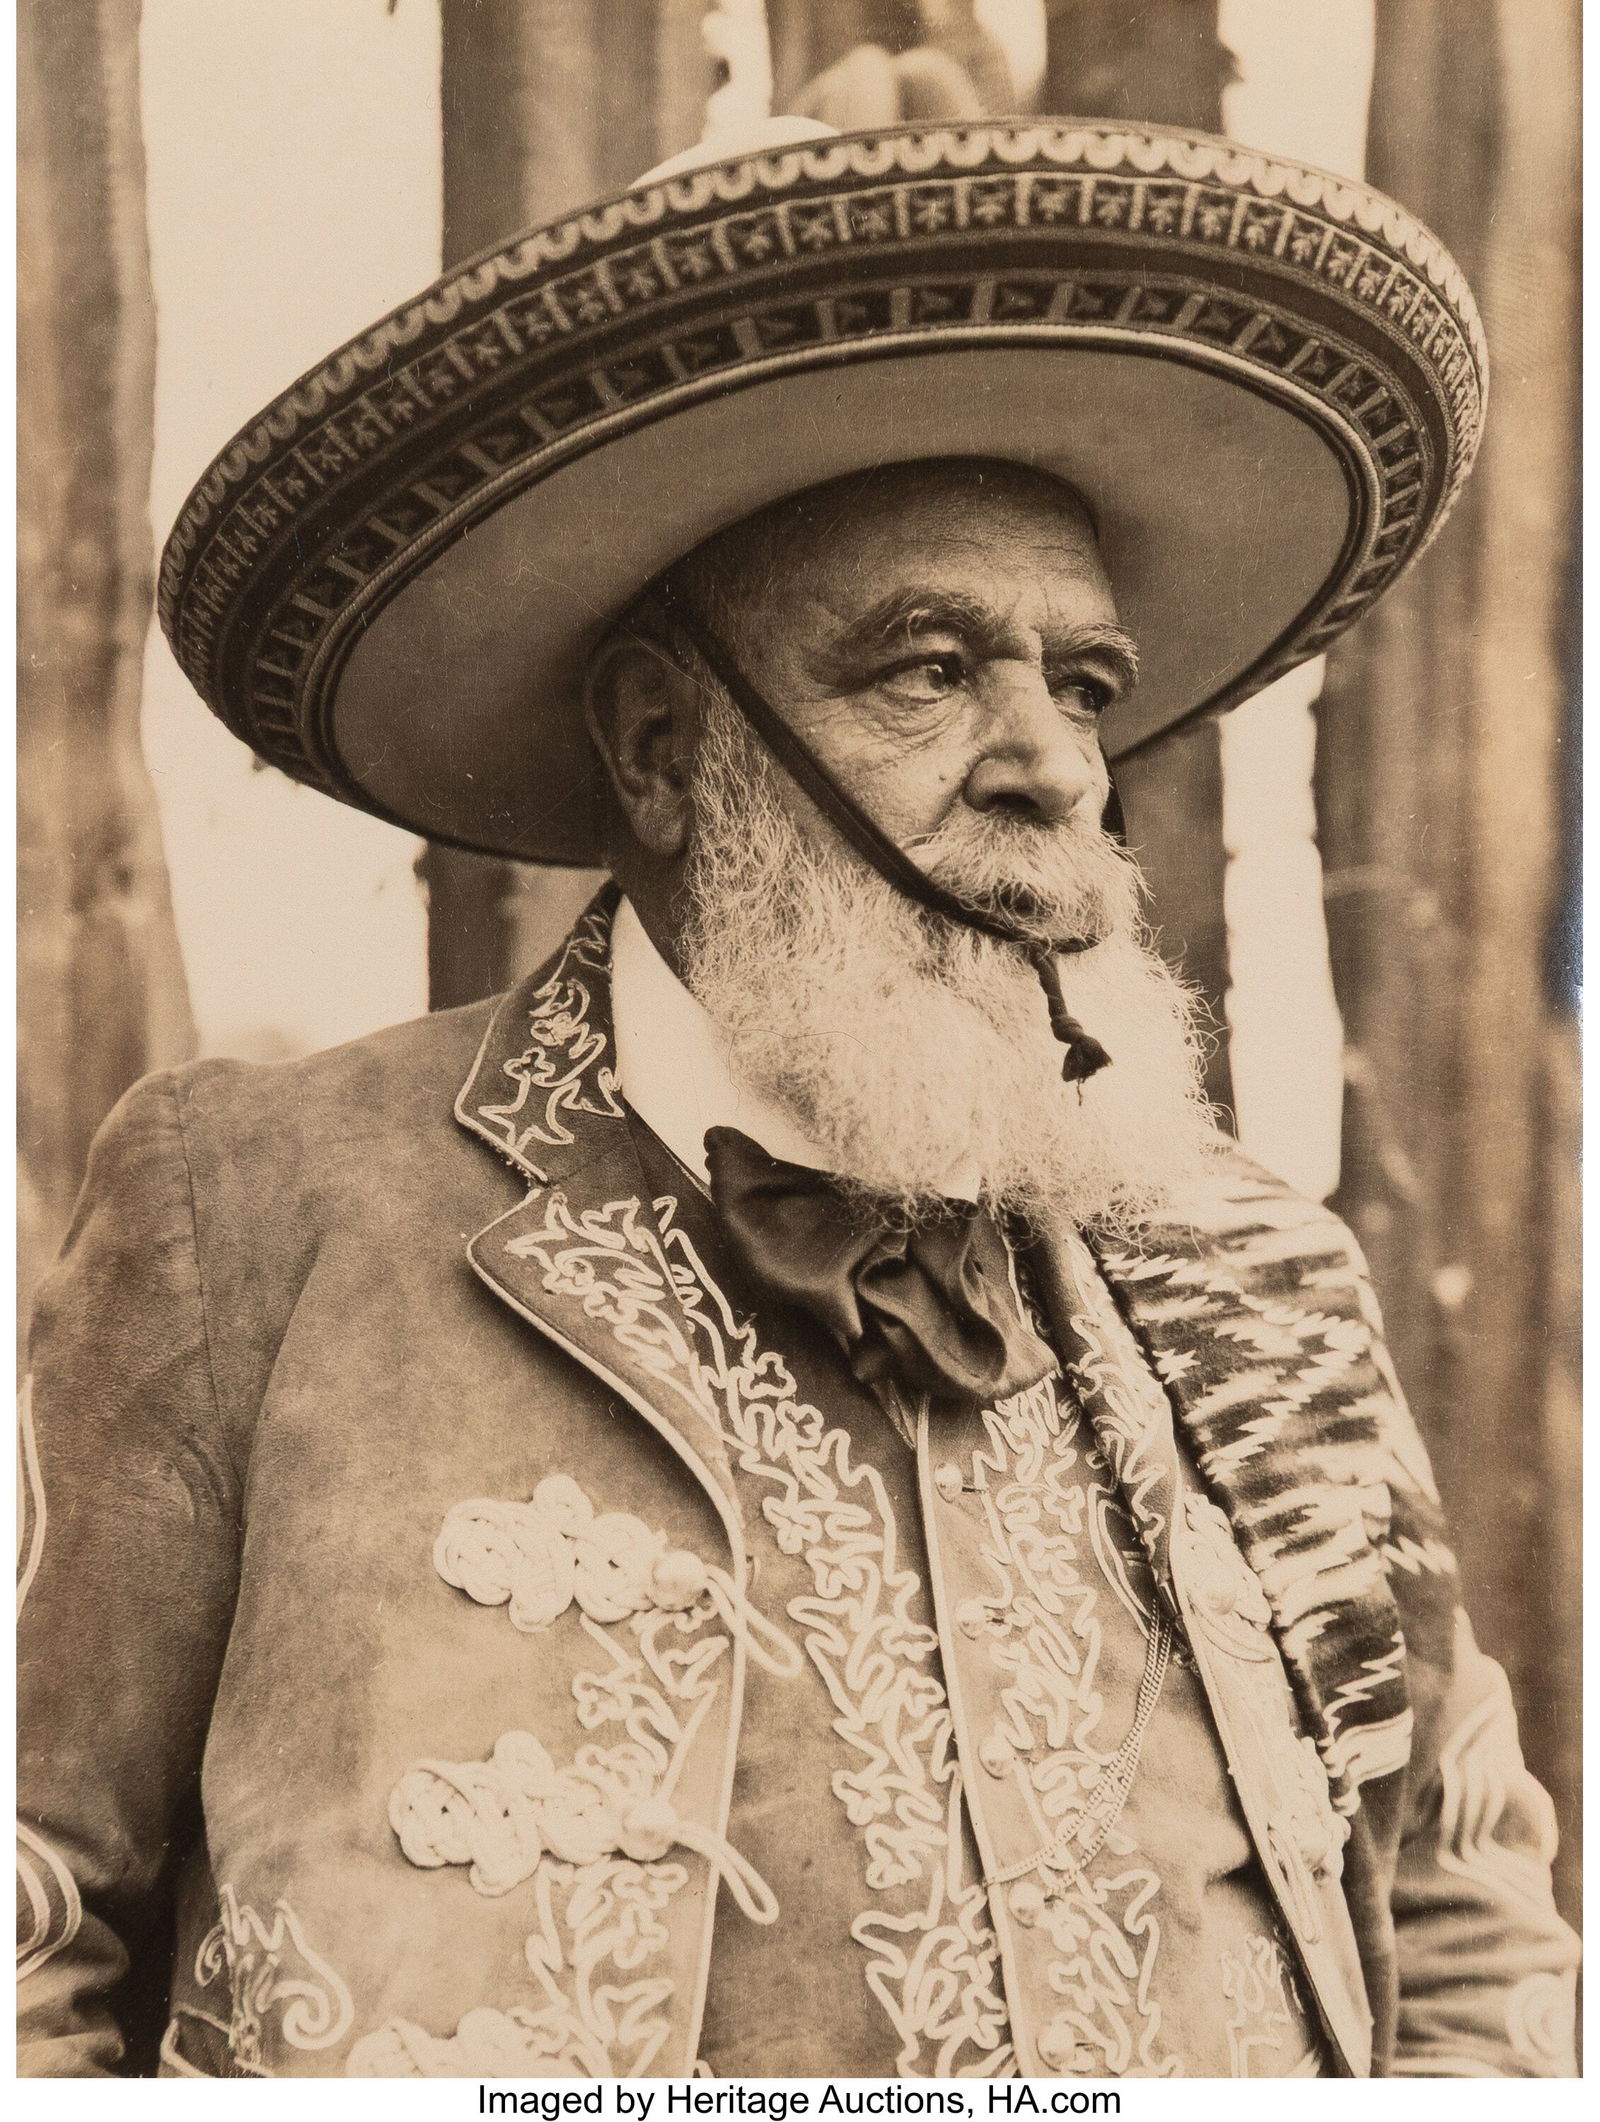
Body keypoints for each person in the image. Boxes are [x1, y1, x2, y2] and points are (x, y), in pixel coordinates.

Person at [18, 115, 1578, 2080]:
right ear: (667, 747)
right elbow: (32, 1916)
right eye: (930, 669)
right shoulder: (257, 1206)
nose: (1053, 771)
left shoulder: (1245, 1279)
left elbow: (1466, 1917)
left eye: (1083, 686)